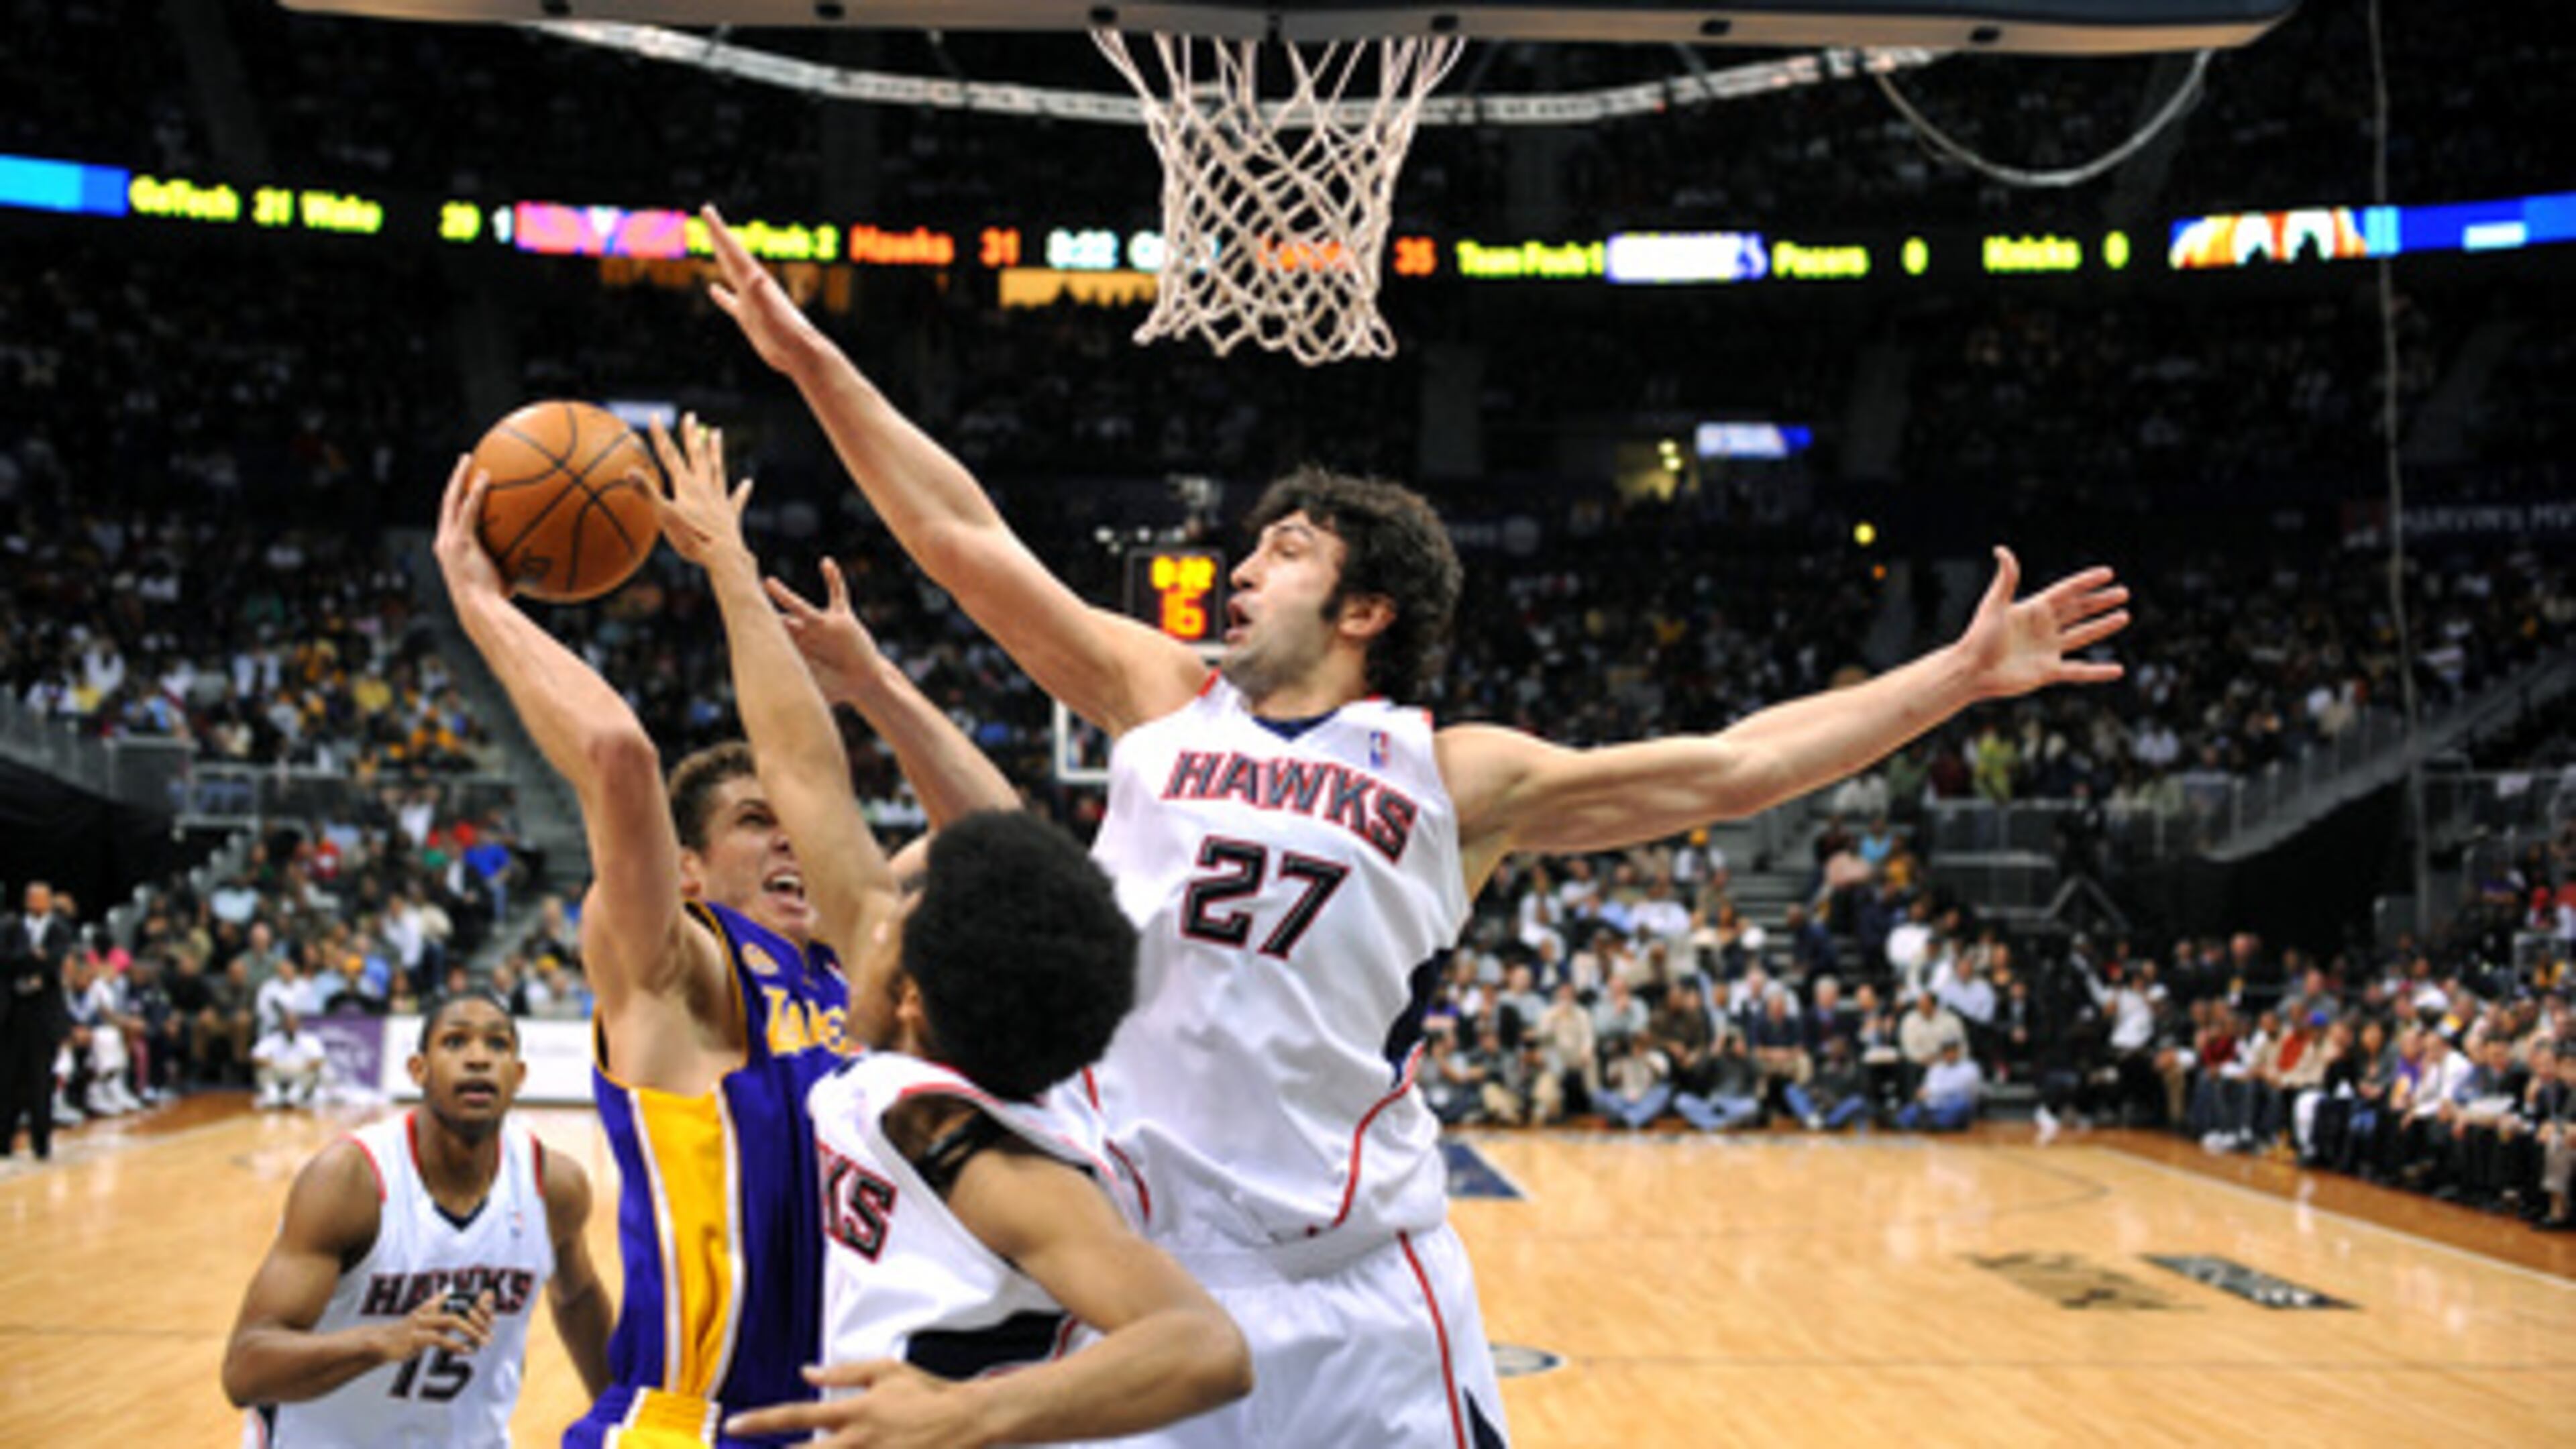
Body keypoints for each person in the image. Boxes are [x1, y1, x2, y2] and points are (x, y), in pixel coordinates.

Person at [703, 204, 2131, 1447]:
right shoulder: (1158, 700)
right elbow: (963, 537)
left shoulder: (1454, 775)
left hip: (1360, 1291)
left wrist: (1955, 673)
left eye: (1286, 551)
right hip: (1144, 1273)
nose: (1243, 569)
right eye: (1254, 544)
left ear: (1367, 609)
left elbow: (1731, 768)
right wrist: (810, 357)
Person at [638, 423, 1251, 1444]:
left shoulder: (971, 1151)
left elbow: (1206, 1347)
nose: (872, 915)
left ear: (914, 995)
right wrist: (731, 571)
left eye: (896, 932)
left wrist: (968, 1414)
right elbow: (808, 773)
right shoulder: (943, 1065)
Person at [435, 447, 988, 1448]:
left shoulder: (859, 963)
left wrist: (857, 671)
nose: (787, 836)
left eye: (790, 822)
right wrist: (482, 604)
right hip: (690, 1430)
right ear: (686, 870)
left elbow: (989, 834)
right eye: (750, 821)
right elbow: (616, 756)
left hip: (855, 1429)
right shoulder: (683, 970)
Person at [222, 990, 610, 1446]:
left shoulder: (553, 1186)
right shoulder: (350, 1182)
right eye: (455, 1042)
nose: (478, 1059)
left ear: (519, 1075)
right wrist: (383, 1341)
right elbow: (245, 1370)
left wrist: (618, 1412)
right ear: (418, 1070)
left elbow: (577, 1296)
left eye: (497, 1045)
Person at [3, 881, 79, 1155]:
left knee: (40, 1078)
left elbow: (56, 960)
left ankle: (41, 1143)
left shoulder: (59, 929)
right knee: (9, 1077)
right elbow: (7, 960)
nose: (36, 904)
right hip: (14, 1011)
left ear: (49, 902)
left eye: (42, 899)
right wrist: (33, 958)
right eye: (32, 899)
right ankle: (4, 1140)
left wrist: (35, 962)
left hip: (44, 1013)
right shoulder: (11, 927)